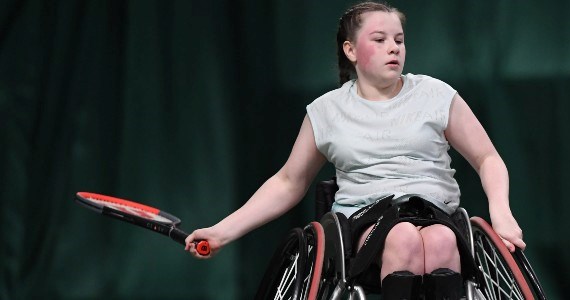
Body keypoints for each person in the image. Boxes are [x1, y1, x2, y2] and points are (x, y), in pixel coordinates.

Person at [185, 1, 525, 299]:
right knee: (403, 237)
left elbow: (487, 158)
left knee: (441, 241)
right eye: (380, 40)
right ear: (350, 50)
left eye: (399, 40)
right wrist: (221, 232)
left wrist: (502, 212)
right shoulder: (327, 111)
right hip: (367, 219)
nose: (393, 48)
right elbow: (288, 182)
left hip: (436, 212)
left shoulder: (436, 95)